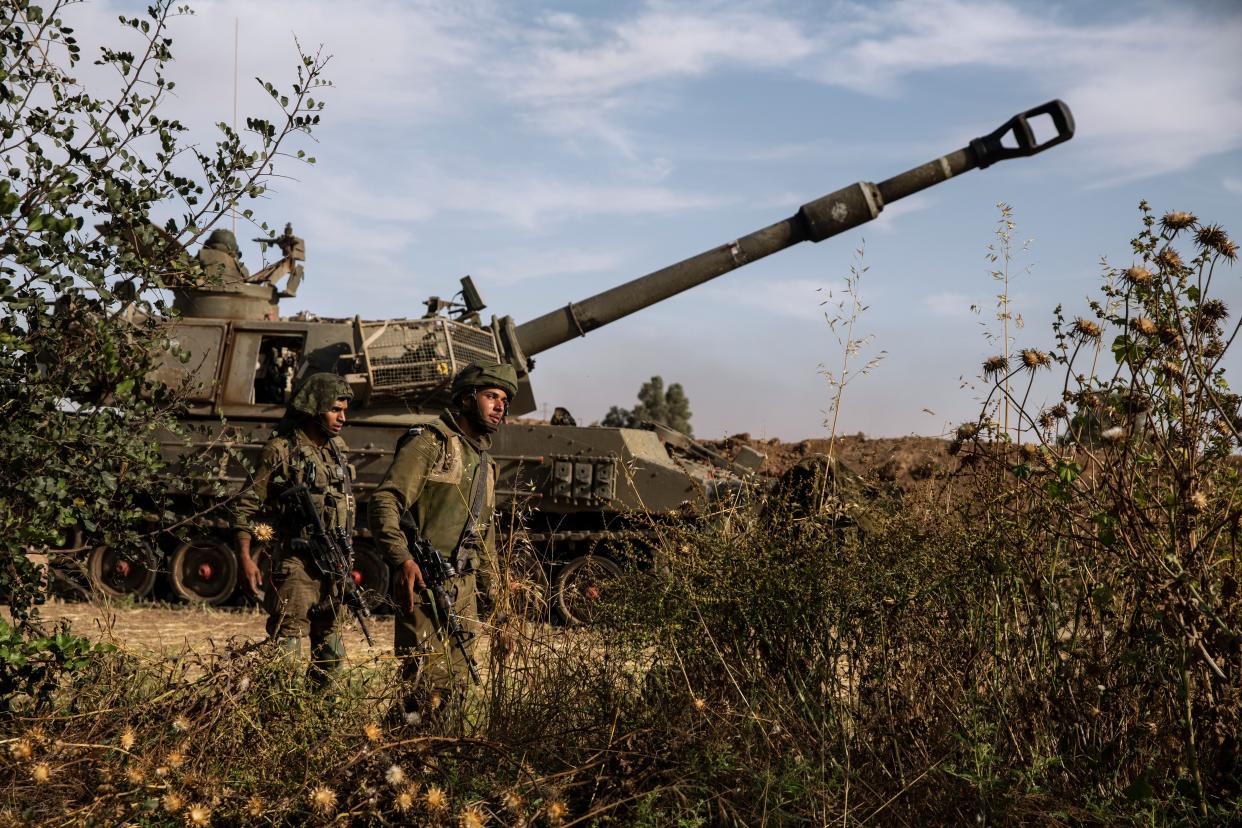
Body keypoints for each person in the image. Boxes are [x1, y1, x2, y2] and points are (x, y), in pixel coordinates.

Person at [369, 360, 518, 721]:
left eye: (504, 400)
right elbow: (385, 500)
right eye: (491, 396)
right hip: (424, 587)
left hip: (463, 591)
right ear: (467, 399)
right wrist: (401, 558)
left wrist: (501, 610)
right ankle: (391, 763)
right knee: (421, 691)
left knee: (457, 692)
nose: (500, 406)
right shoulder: (430, 442)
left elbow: (485, 541)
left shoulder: (485, 463)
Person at [231, 372, 355, 682]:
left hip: (333, 566)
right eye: (335, 410)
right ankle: (277, 722)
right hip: (296, 564)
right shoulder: (281, 450)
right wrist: (246, 559)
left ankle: (318, 723)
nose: (342, 417)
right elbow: (247, 506)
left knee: (331, 658)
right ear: (314, 409)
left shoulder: (337, 449)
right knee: (284, 658)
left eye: (344, 410)